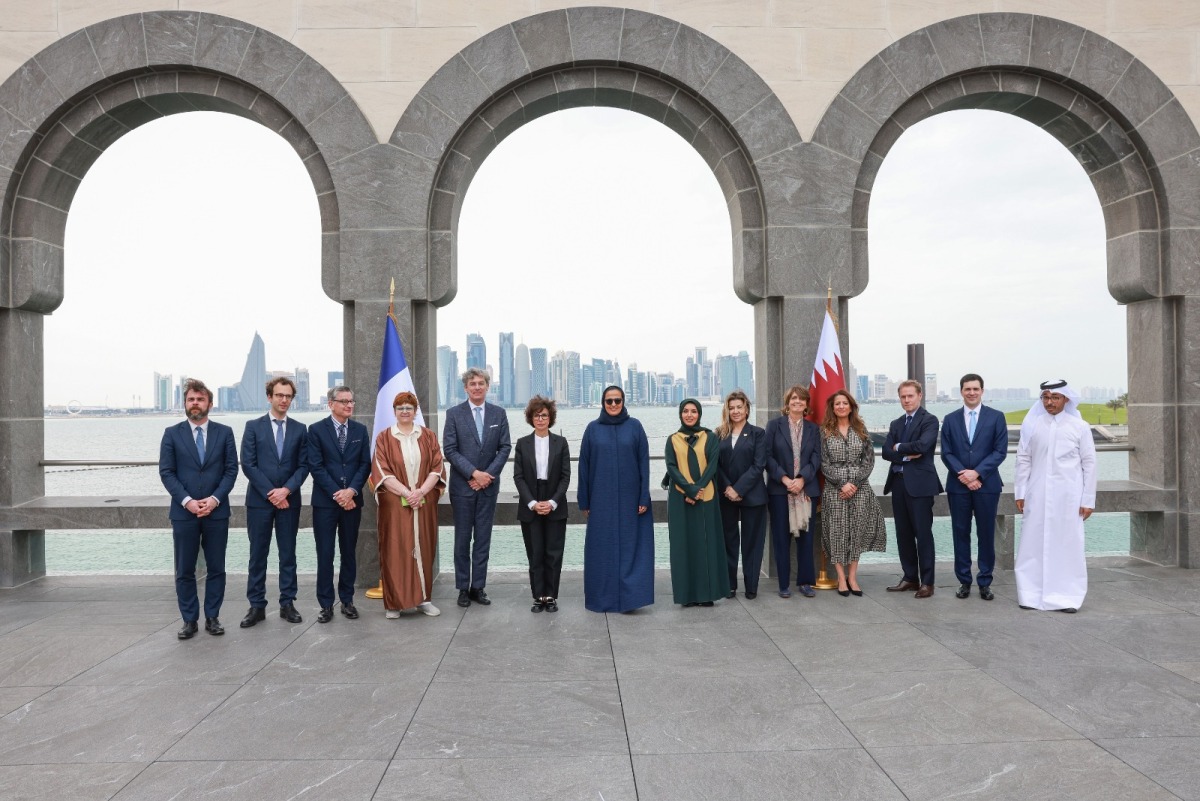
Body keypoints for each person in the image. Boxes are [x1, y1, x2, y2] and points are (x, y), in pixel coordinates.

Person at [159, 379, 238, 640]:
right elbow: (167, 472)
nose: (195, 403)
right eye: (191, 399)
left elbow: (231, 471)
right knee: (184, 570)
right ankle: (189, 620)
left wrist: (214, 499)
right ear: (185, 403)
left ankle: (212, 617)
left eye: (200, 399)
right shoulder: (172, 433)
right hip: (184, 513)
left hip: (217, 512)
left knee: (216, 568)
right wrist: (187, 501)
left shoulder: (224, 433)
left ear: (210, 404)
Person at [1014, 380, 1096, 612]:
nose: (1049, 402)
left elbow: (1089, 463)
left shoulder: (1079, 427)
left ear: (1066, 399)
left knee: (1067, 545)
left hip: (1068, 497)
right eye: (1046, 397)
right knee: (1032, 544)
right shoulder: (1033, 425)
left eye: (1055, 398)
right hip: (1036, 494)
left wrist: (1088, 500)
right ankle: (1030, 595)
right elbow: (1023, 459)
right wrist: (1020, 492)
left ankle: (1067, 597)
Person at [239, 377, 309, 627]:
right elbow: (248, 464)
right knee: (258, 555)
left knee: (288, 554)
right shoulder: (253, 427)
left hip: (289, 501)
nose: (284, 400)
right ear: (269, 397)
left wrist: (286, 491)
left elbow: (304, 466)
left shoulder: (300, 429)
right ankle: (256, 605)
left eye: (288, 396)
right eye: (279, 395)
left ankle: (287, 603)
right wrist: (272, 493)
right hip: (259, 502)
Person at [578, 385, 654, 613]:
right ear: (603, 403)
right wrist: (584, 500)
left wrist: (643, 497)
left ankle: (631, 599)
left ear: (623, 402)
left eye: (617, 401)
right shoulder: (592, 429)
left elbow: (644, 464)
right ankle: (602, 598)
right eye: (609, 401)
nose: (613, 405)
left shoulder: (635, 427)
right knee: (601, 550)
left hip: (631, 501)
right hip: (600, 500)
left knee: (632, 549)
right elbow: (584, 466)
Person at [370, 391, 446, 618]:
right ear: (394, 411)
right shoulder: (384, 438)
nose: (405, 411)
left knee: (424, 548)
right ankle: (394, 604)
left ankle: (423, 600)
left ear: (415, 411)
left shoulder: (428, 436)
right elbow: (381, 471)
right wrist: (406, 492)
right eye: (400, 408)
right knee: (395, 550)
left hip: (423, 502)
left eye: (409, 408)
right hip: (394, 504)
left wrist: (420, 492)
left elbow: (437, 468)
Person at [442, 367, 511, 608]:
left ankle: (478, 587)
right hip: (463, 488)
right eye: (472, 384)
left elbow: (505, 447)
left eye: (481, 383)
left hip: (488, 488)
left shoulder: (499, 414)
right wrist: (474, 474)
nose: (477, 387)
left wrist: (487, 476)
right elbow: (450, 450)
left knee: (483, 539)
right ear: (466, 388)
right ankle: (463, 588)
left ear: (487, 386)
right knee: (462, 540)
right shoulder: (453, 414)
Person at [940, 373, 1008, 601]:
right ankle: (964, 581)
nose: (971, 393)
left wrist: (977, 473)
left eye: (975, 389)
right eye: (967, 389)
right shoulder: (950, 419)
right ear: (961, 391)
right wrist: (965, 475)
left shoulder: (996, 417)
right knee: (960, 533)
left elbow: (1000, 451)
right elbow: (946, 452)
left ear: (982, 391)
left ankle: (985, 582)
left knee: (986, 534)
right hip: (958, 486)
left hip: (987, 486)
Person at [307, 385, 372, 622]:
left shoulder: (360, 430)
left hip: (352, 503)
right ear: (331, 404)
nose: (349, 405)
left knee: (348, 553)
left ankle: (347, 600)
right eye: (344, 401)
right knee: (325, 554)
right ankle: (326, 605)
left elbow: (365, 464)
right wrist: (339, 494)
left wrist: (351, 491)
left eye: (351, 401)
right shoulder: (316, 430)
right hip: (325, 503)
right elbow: (316, 466)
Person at [819, 389, 887, 596]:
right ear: (832, 408)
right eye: (837, 403)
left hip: (860, 489)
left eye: (844, 403)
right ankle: (841, 578)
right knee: (837, 533)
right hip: (835, 490)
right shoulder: (825, 431)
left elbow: (869, 461)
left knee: (856, 532)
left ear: (851, 407)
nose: (841, 406)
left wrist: (854, 484)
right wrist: (842, 484)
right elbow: (823, 463)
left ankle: (853, 577)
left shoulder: (861, 429)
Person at [665, 399, 730, 607]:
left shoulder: (710, 437)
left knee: (705, 545)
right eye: (685, 411)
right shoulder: (673, 439)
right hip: (680, 498)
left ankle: (706, 594)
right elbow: (671, 467)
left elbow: (712, 466)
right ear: (680, 414)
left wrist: (697, 490)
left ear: (699, 414)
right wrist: (689, 489)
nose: (689, 415)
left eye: (693, 411)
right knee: (683, 546)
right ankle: (686, 595)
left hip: (706, 497)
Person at [883, 379, 943, 598]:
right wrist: (906, 454)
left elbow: (923, 446)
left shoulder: (930, 420)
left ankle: (927, 582)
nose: (907, 400)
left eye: (910, 396)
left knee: (923, 534)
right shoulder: (896, 423)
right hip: (898, 483)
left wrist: (899, 446)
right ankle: (910, 577)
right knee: (903, 533)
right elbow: (886, 452)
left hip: (920, 486)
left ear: (920, 396)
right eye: (903, 396)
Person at [513, 396, 571, 613]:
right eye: (537, 415)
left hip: (555, 500)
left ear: (550, 418)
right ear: (531, 418)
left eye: (544, 415)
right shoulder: (522, 444)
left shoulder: (561, 443)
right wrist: (532, 503)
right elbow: (518, 477)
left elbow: (565, 476)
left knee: (553, 553)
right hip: (531, 501)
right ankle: (538, 596)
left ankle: (551, 596)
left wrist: (553, 501)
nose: (540, 419)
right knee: (535, 553)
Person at [764, 385, 821, 598]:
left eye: (802, 399)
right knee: (781, 539)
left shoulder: (813, 429)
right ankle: (784, 584)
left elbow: (816, 457)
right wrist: (786, 479)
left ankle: (805, 582)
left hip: (806, 491)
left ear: (806, 404)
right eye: (794, 398)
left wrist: (802, 479)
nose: (797, 401)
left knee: (806, 538)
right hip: (780, 491)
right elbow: (767, 456)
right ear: (787, 402)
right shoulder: (774, 426)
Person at [716, 390, 768, 599]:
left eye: (739, 407)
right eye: (731, 408)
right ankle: (729, 585)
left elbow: (758, 465)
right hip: (726, 495)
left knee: (752, 542)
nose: (735, 411)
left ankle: (751, 585)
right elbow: (715, 465)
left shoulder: (758, 433)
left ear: (747, 409)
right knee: (728, 541)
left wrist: (738, 489)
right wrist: (728, 488)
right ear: (727, 410)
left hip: (753, 495)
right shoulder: (719, 433)